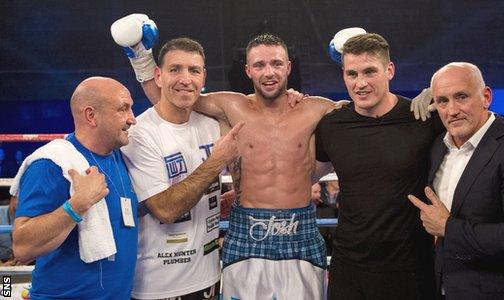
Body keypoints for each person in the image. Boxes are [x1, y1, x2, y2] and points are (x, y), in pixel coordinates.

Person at [115, 14, 341, 299]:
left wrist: (350, 60)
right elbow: (174, 96)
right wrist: (141, 57)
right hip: (246, 231)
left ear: (288, 67)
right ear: (248, 70)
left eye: (276, 64)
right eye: (259, 65)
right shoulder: (230, 106)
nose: (268, 72)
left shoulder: (316, 108)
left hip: (300, 232)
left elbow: (358, 113)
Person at [315, 33, 444, 299]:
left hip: (411, 269)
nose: (360, 83)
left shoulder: (423, 117)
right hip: (349, 269)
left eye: (369, 72)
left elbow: (480, 128)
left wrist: (441, 94)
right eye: (352, 74)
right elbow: (303, 177)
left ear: (389, 70)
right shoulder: (331, 125)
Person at [408, 62, 504, 299]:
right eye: (442, 101)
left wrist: (448, 228)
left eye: (461, 97)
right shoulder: (437, 148)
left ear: (486, 96)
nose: (452, 110)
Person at [119, 37, 242, 300]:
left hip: (209, 277)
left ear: (203, 77)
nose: (185, 79)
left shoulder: (211, 125)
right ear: (158, 76)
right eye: (175, 69)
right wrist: (216, 162)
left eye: (194, 70)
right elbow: (166, 209)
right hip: (157, 286)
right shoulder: (140, 134)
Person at [11, 77, 139, 299]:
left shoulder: (119, 157)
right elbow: (22, 247)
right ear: (91, 116)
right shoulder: (52, 163)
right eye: (123, 109)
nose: (132, 119)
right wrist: (78, 205)